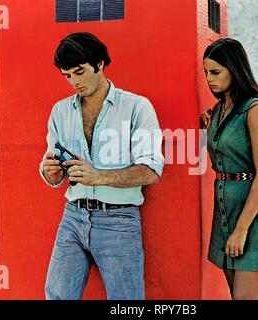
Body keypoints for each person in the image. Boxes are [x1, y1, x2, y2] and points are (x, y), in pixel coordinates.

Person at [39, 32, 164, 300]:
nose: (74, 82)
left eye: (79, 72)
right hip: (72, 217)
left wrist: (99, 176)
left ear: (99, 64)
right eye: (67, 75)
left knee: (127, 303)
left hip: (119, 220)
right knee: (56, 297)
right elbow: (50, 168)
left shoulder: (136, 107)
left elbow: (151, 171)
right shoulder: (60, 111)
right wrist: (50, 172)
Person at [200, 38, 258, 300]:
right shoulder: (218, 110)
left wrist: (242, 230)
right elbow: (222, 157)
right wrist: (209, 128)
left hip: (253, 212)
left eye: (216, 72)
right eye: (206, 72)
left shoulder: (256, 108)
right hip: (225, 208)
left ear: (235, 69)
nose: (209, 79)